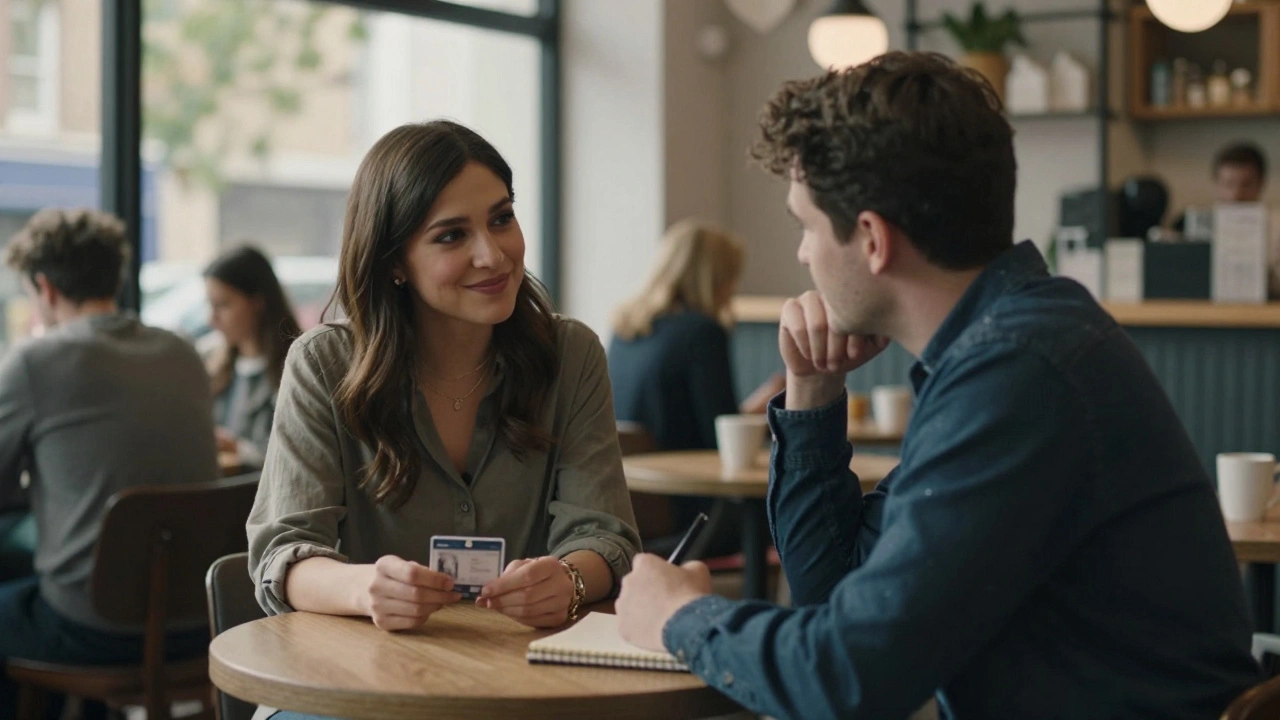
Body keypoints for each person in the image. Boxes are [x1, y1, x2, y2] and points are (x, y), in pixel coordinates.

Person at [616, 51, 1259, 719]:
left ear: (872, 240)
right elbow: (834, 593)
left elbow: (846, 683)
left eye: (806, 226)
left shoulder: (1019, 370)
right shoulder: (1008, 347)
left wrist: (679, 614)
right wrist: (813, 388)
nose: (805, 254)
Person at [247, 121, 639, 649]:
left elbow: (604, 535)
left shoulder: (570, 355)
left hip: (520, 674)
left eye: (502, 219)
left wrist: (567, 579)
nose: (494, 255)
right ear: (394, 264)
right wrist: (365, 588)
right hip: (362, 675)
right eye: (452, 235)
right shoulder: (323, 364)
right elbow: (284, 554)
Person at [0, 209, 217, 717]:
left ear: (45, 288)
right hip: (200, 620)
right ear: (114, 277)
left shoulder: (37, 362)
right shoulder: (182, 352)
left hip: (95, 631)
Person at [608, 219, 782, 556]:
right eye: (731, 275)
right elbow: (718, 438)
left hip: (631, 508)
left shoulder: (625, 330)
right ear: (714, 277)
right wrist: (766, 406)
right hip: (694, 515)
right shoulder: (703, 332)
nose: (733, 287)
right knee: (790, 513)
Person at [204, 245, 302, 469]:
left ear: (258, 302)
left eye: (223, 305)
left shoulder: (295, 369)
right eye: (209, 305)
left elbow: (294, 460)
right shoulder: (211, 363)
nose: (212, 319)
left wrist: (238, 448)